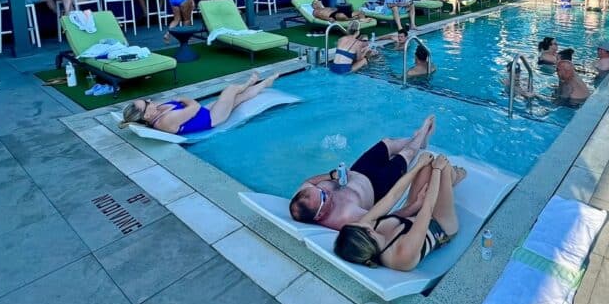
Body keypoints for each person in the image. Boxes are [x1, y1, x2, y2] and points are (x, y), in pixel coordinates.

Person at [290, 115, 436, 230]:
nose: (326, 192)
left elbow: (308, 182)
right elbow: (382, 220)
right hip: (379, 185)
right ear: (320, 215)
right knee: (407, 153)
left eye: (320, 189)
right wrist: (415, 206)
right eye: (323, 196)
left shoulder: (304, 197)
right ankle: (422, 134)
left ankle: (419, 141)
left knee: (388, 142)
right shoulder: (345, 218)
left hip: (358, 170)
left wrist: (330, 176)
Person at [335, 152, 465, 271]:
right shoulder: (402, 255)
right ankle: (453, 177)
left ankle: (446, 181)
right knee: (444, 168)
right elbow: (428, 208)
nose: (362, 221)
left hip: (414, 211)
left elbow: (392, 196)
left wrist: (418, 166)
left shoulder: (366, 231)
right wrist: (437, 170)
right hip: (439, 224)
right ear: (369, 233)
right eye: (360, 225)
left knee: (427, 165)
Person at [119, 72, 278, 135]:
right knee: (230, 90)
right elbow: (193, 106)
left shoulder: (154, 113)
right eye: (147, 103)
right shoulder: (165, 121)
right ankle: (246, 84)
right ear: (146, 114)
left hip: (203, 113)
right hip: (212, 118)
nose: (150, 100)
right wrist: (183, 99)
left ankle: (264, 84)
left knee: (239, 99)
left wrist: (179, 101)